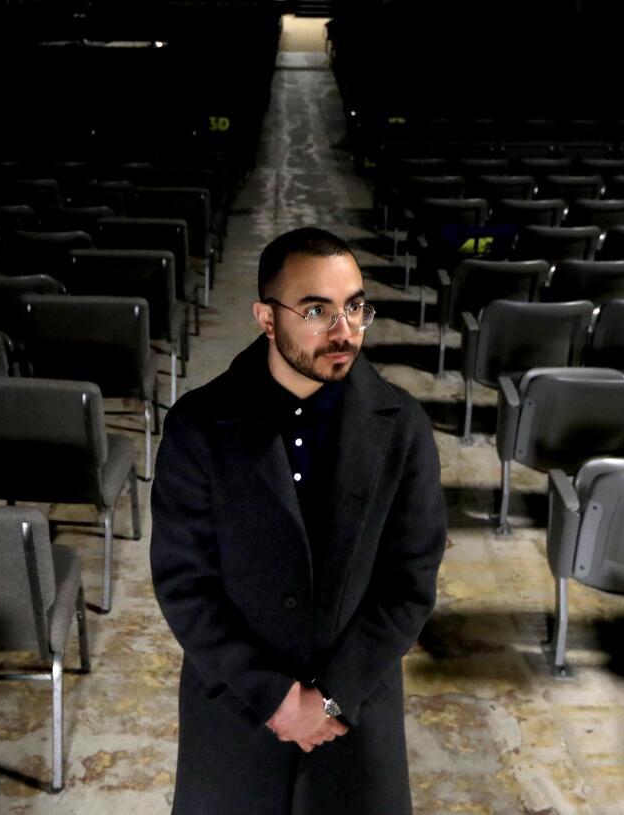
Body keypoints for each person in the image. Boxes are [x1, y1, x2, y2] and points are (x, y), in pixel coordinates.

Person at [150, 227, 447, 814]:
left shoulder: (403, 425)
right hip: (236, 708)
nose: (344, 332)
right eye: (317, 310)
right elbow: (185, 585)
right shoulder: (198, 425)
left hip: (356, 710)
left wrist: (330, 697)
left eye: (355, 308)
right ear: (266, 318)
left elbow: (409, 581)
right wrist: (277, 698)